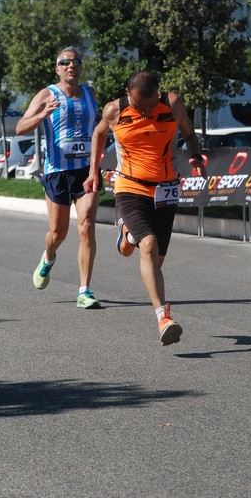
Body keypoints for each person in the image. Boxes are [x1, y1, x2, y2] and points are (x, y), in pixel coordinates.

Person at [83, 71, 207, 344]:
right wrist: (94, 170)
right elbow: (99, 134)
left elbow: (188, 132)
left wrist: (196, 156)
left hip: (165, 189)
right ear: (128, 94)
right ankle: (164, 317)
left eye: (151, 105)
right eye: (141, 107)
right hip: (130, 186)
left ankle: (127, 235)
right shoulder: (115, 110)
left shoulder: (173, 103)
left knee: (156, 261)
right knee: (148, 245)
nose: (147, 111)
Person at [16, 46, 103, 309]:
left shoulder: (91, 94)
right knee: (58, 233)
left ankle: (84, 290)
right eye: (65, 62)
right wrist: (43, 114)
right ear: (57, 68)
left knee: (86, 225)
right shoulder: (47, 94)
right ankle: (49, 256)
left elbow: (101, 127)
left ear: (81, 67)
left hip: (86, 171)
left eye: (76, 62)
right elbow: (20, 127)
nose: (71, 66)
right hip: (57, 171)